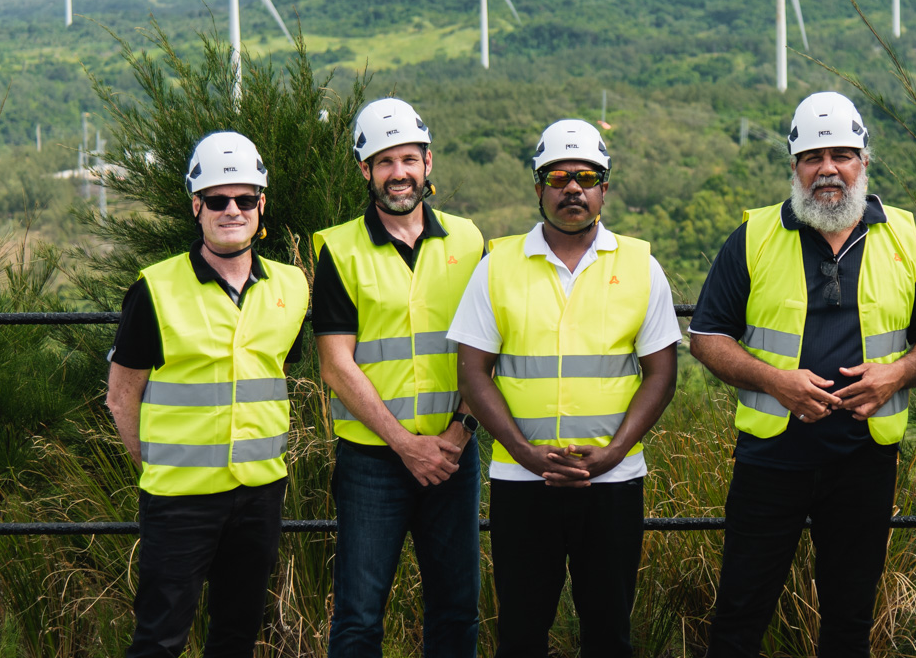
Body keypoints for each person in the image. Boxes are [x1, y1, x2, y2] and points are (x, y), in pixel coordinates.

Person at [690, 91, 916, 658]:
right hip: (770, 460)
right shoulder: (755, 238)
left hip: (864, 459)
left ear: (864, 161)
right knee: (740, 612)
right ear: (794, 166)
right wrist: (774, 381)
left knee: (849, 617)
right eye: (813, 156)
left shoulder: (906, 239)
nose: (827, 168)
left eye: (841, 154)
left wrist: (895, 375)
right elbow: (706, 337)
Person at [451, 118, 681, 658]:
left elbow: (662, 372)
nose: (572, 187)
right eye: (558, 176)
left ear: (605, 186)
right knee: (521, 634)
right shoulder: (497, 265)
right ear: (538, 187)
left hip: (615, 478)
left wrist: (614, 453)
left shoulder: (642, 266)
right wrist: (526, 453)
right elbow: (472, 372)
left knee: (608, 633)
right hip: (521, 479)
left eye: (587, 176)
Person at [105, 131, 309, 658]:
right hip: (178, 500)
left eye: (244, 199)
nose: (232, 210)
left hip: (260, 494)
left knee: (238, 636)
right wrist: (156, 467)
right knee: (158, 638)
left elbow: (274, 371)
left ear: (262, 205)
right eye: (218, 200)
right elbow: (121, 397)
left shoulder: (293, 287)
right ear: (196, 206)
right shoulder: (154, 288)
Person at [312, 98, 486, 658]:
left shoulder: (469, 241)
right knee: (359, 617)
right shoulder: (338, 249)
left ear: (428, 162)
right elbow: (336, 364)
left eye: (408, 158)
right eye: (384, 162)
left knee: (457, 610)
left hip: (455, 455)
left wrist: (457, 436)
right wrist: (406, 445)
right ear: (364, 170)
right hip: (373, 461)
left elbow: (486, 353)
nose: (398, 173)